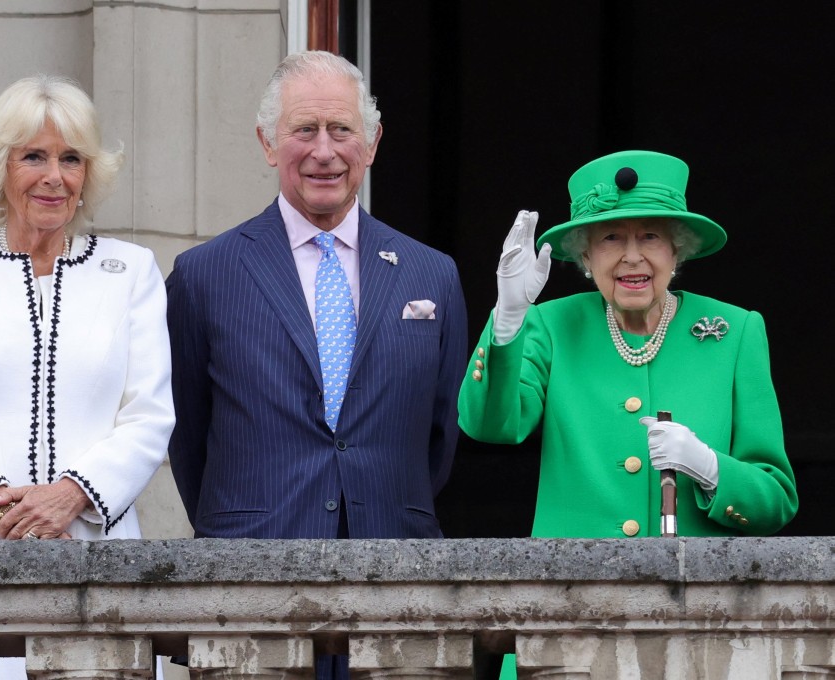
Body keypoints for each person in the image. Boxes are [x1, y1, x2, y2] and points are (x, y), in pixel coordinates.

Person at [166, 51, 467, 677]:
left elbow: (441, 434)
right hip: (249, 580)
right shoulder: (204, 275)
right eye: (304, 130)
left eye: (341, 130)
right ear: (268, 143)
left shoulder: (431, 274)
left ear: (373, 142)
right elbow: (187, 434)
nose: (324, 151)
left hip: (396, 578)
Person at [458, 150, 798, 679]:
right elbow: (491, 424)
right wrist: (507, 318)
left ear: (677, 251)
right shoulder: (551, 325)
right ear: (585, 256)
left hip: (698, 632)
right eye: (611, 239)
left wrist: (711, 469)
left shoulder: (734, 332)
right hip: (568, 622)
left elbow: (776, 498)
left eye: (650, 237)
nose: (632, 257)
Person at [0, 74, 174, 543]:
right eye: (34, 156)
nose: (54, 177)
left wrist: (69, 497)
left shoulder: (133, 272)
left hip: (90, 546)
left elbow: (150, 416)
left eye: (71, 158)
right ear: (2, 167)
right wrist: (7, 515)